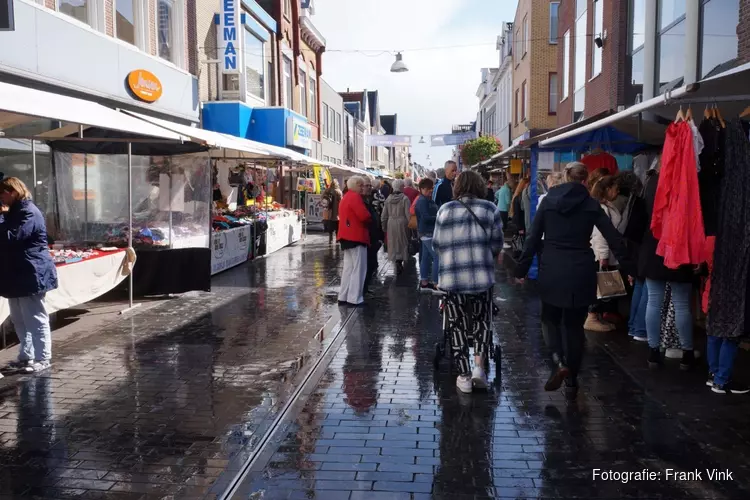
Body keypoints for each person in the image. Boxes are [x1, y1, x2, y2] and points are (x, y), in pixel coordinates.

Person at [514, 163, 630, 398]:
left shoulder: (548, 202)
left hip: (552, 269)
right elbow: (614, 238)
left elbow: (533, 238)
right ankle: (572, 381)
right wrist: (631, 267)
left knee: (550, 319)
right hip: (581, 269)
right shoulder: (591, 205)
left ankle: (558, 362)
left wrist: (521, 269)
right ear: (585, 181)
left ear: (565, 177)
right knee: (574, 327)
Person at [433, 171, 504, 393]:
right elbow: (496, 245)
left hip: (452, 279)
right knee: (482, 320)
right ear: (480, 186)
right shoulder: (490, 208)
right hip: (481, 278)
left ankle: (463, 376)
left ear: (457, 187)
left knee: (456, 325)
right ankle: (478, 368)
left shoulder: (445, 210)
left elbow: (437, 245)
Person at [637, 166, 696, 370]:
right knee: (681, 304)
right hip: (679, 248)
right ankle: (687, 353)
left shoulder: (652, 182)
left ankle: (653, 352)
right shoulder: (687, 182)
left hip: (653, 247)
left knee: (654, 301)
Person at [0, 177, 58, 373]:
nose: (1, 198)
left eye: (3, 193)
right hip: (17, 271)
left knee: (35, 316)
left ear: (14, 192)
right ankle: (26, 355)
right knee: (19, 317)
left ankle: (43, 358)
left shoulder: (28, 212)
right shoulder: (15, 212)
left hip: (31, 270)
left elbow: (12, 237)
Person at [585, 175, 623, 332]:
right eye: (615, 188)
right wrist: (603, 256)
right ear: (607, 189)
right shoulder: (602, 209)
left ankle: (597, 316)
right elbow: (600, 235)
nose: (617, 192)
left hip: (607, 254)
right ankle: (591, 317)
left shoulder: (606, 206)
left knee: (602, 288)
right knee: (599, 288)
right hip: (602, 256)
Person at [337, 176, 371, 306]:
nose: (363, 188)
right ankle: (355, 298)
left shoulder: (346, 196)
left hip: (346, 236)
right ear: (356, 185)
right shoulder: (355, 197)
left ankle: (343, 296)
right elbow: (364, 216)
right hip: (356, 236)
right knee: (358, 268)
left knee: (348, 268)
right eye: (361, 185)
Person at [414, 178, 440, 293]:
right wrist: (439, 217)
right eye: (427, 189)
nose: (430, 191)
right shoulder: (422, 201)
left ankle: (424, 282)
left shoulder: (426, 199)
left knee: (426, 257)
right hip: (427, 232)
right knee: (437, 257)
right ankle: (435, 283)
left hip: (426, 232)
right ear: (421, 189)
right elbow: (425, 217)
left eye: (431, 189)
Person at [381, 179, 411, 275]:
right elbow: (408, 214)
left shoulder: (388, 199)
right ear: (401, 187)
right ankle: (400, 260)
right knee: (403, 241)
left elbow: (383, 215)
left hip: (391, 222)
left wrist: (384, 226)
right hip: (403, 222)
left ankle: (396, 260)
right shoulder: (405, 199)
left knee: (393, 242)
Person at [362, 179, 384, 295]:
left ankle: (365, 288)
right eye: (367, 186)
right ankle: (363, 289)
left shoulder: (370, 198)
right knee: (368, 264)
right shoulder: (362, 200)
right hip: (367, 236)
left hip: (374, 234)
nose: (369, 188)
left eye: (370, 186)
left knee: (372, 264)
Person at [321, 180, 342, 244]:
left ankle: (330, 239)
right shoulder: (339, 192)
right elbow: (342, 201)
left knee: (330, 229)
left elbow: (322, 199)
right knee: (337, 229)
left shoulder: (327, 190)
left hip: (328, 213)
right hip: (337, 214)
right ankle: (337, 239)